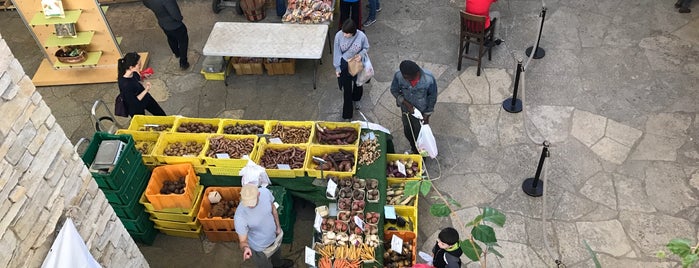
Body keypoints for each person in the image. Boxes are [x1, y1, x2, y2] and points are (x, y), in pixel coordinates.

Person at [234, 184, 293, 268]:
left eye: (252, 202)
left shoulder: (265, 192)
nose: (250, 205)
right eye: (247, 203)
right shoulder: (240, 217)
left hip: (275, 237)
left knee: (277, 255)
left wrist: (278, 227)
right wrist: (246, 248)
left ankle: (279, 264)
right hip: (260, 248)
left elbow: (273, 209)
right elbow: (243, 241)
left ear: (258, 194)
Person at [390, 60, 437, 154]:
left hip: (421, 112)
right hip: (406, 111)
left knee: (420, 134)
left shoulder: (428, 79)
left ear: (417, 73)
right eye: (405, 78)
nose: (407, 80)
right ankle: (413, 148)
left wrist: (427, 114)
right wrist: (406, 103)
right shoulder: (398, 75)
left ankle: (422, 155)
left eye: (409, 78)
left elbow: (432, 97)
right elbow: (394, 90)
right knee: (408, 131)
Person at [333, 19, 370, 121]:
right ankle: (347, 115)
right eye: (343, 32)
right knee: (347, 90)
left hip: (356, 63)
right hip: (344, 65)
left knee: (358, 83)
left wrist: (360, 55)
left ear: (353, 32)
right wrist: (337, 67)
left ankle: (357, 99)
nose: (345, 35)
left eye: (347, 33)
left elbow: (366, 47)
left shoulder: (361, 36)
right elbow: (337, 52)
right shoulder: (338, 36)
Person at [143, 0, 190, 69]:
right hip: (174, 24)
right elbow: (175, 13)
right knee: (183, 41)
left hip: (162, 22)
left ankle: (177, 53)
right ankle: (183, 62)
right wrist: (180, 18)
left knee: (171, 38)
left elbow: (146, 4)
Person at [117, 52, 166, 117]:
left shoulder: (132, 72)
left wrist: (143, 76)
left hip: (145, 98)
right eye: (139, 65)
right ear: (131, 67)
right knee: (143, 124)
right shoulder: (125, 85)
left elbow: (136, 76)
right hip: (136, 107)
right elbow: (134, 102)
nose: (140, 66)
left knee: (160, 114)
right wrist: (146, 90)